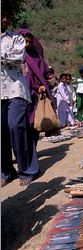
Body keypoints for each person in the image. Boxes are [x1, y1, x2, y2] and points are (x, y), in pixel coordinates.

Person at [1, 10, 40, 186]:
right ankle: (6, 171)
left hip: (15, 89)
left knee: (16, 127)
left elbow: (17, 57)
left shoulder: (16, 38)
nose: (4, 19)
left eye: (6, 16)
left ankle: (28, 169)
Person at [18, 29, 53, 146]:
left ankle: (32, 149)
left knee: (34, 123)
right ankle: (21, 151)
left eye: (29, 42)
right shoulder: (15, 56)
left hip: (34, 95)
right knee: (20, 124)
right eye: (24, 41)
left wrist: (42, 85)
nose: (27, 45)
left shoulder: (36, 57)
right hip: (19, 95)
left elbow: (45, 72)